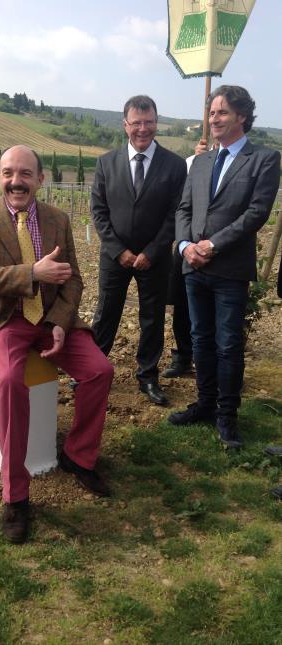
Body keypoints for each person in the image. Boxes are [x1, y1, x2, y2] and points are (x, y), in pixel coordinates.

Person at [0, 145, 114, 543]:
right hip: (5, 321)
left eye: (25, 173)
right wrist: (33, 272)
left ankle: (78, 457)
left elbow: (74, 279)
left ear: (40, 179)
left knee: (100, 371)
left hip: (50, 320)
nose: (16, 181)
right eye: (8, 173)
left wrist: (61, 322)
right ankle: (16, 495)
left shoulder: (58, 220)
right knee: (9, 382)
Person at [169, 85, 281, 448]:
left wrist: (212, 245)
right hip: (193, 268)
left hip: (229, 269)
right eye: (211, 112)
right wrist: (186, 246)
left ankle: (226, 416)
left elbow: (256, 213)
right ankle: (205, 403)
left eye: (222, 112)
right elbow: (184, 208)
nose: (214, 119)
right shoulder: (201, 161)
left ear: (242, 117)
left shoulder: (264, 159)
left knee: (228, 344)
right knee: (200, 338)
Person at [91, 95, 187, 405]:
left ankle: (148, 377)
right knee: (106, 314)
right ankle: (92, 373)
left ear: (156, 123)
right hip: (114, 257)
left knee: (152, 318)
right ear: (125, 125)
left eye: (149, 122)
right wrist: (118, 250)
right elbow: (99, 211)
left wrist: (153, 251)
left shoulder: (174, 165)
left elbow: (177, 212)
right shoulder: (106, 163)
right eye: (136, 123)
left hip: (154, 259)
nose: (142, 129)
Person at [163, 138, 212, 379]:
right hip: (184, 246)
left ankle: (212, 366)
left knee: (211, 310)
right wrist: (197, 159)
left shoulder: (237, 160)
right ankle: (182, 357)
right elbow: (181, 206)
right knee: (181, 306)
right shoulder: (190, 163)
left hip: (214, 247)